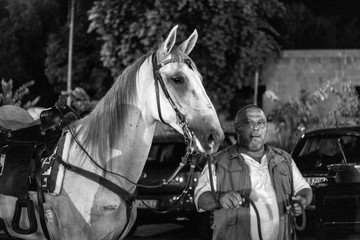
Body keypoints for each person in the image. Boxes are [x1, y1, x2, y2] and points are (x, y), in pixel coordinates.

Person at [194, 104, 312, 240]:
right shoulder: (218, 162)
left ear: (266, 127)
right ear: (237, 127)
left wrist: (301, 201)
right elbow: (200, 198)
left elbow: (304, 189)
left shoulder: (283, 159)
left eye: (261, 123)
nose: (256, 128)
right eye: (249, 123)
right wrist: (220, 198)